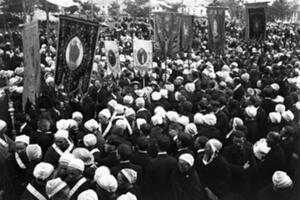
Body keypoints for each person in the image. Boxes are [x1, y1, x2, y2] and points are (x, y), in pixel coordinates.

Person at [145, 134, 177, 200]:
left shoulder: (152, 163)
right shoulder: (174, 161)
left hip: (156, 194)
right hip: (170, 194)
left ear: (157, 146)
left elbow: (149, 182)